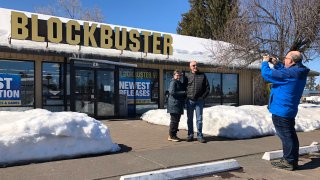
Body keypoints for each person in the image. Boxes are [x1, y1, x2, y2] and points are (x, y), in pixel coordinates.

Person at [261, 51, 310, 171]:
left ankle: (289, 161)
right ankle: (290, 159)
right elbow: (284, 71)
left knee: (287, 137)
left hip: (281, 110)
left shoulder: (290, 73)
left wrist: (265, 62)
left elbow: (267, 75)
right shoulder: (298, 71)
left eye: (286, 58)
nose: (284, 60)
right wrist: (277, 64)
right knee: (290, 136)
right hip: (288, 109)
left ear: (292, 61)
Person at [184, 60, 210, 143]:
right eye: (193, 65)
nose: (195, 67)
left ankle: (200, 136)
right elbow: (184, 88)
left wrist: (202, 97)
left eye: (196, 65)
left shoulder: (203, 75)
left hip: (199, 101)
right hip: (190, 101)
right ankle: (190, 135)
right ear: (190, 67)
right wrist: (186, 97)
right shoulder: (187, 76)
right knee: (190, 119)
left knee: (199, 119)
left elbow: (207, 88)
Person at [167, 70, 186, 142]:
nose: (178, 76)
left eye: (179, 75)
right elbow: (172, 92)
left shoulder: (178, 82)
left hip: (177, 104)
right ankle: (172, 136)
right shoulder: (173, 82)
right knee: (174, 121)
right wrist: (184, 93)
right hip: (174, 105)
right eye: (177, 75)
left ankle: (173, 135)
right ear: (174, 75)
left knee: (176, 121)